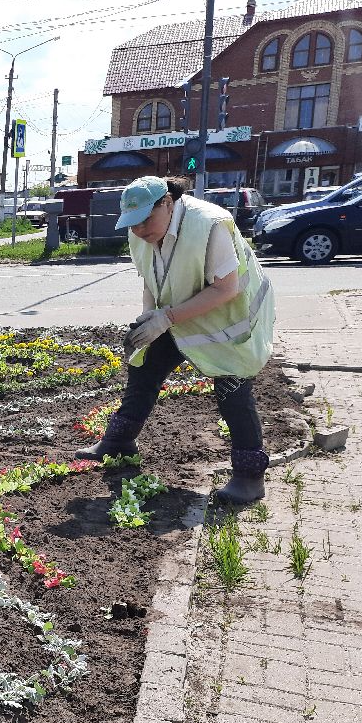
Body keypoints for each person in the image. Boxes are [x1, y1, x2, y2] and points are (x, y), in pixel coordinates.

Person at [77, 175, 275, 505]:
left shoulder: (210, 225)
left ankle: (249, 477)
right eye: (132, 223)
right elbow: (151, 277)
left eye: (144, 221)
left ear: (167, 204)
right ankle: (120, 440)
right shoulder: (141, 229)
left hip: (233, 320)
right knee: (145, 368)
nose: (138, 230)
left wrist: (166, 318)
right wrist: (147, 320)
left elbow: (227, 289)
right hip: (181, 313)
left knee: (232, 391)